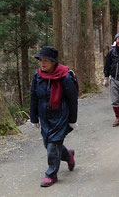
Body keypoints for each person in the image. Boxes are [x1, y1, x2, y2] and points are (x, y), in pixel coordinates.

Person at [30, 46, 78, 187]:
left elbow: (72, 99)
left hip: (60, 114)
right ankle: (68, 155)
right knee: (48, 144)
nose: (42, 63)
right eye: (41, 60)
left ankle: (51, 174)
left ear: (53, 62)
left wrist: (72, 120)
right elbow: (33, 97)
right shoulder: (37, 75)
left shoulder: (65, 76)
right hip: (44, 115)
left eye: (46, 60)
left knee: (53, 144)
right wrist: (34, 118)